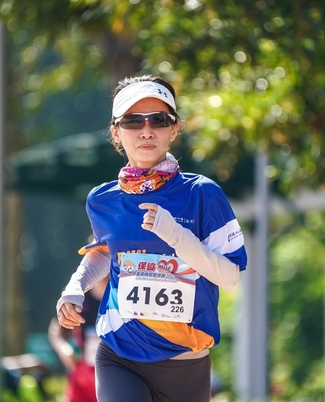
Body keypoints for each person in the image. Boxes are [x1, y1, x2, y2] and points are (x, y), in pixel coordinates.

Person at [55, 74, 247, 402]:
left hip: (185, 363)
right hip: (119, 352)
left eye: (159, 120)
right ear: (116, 132)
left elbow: (230, 277)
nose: (146, 130)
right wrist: (75, 288)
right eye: (133, 121)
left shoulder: (202, 193)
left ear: (174, 129)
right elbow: (106, 251)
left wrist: (177, 235)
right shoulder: (102, 200)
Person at [48, 277, 108, 402]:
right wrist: (63, 348)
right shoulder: (75, 293)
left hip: (117, 376)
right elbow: (56, 329)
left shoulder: (126, 290)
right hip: (82, 379)